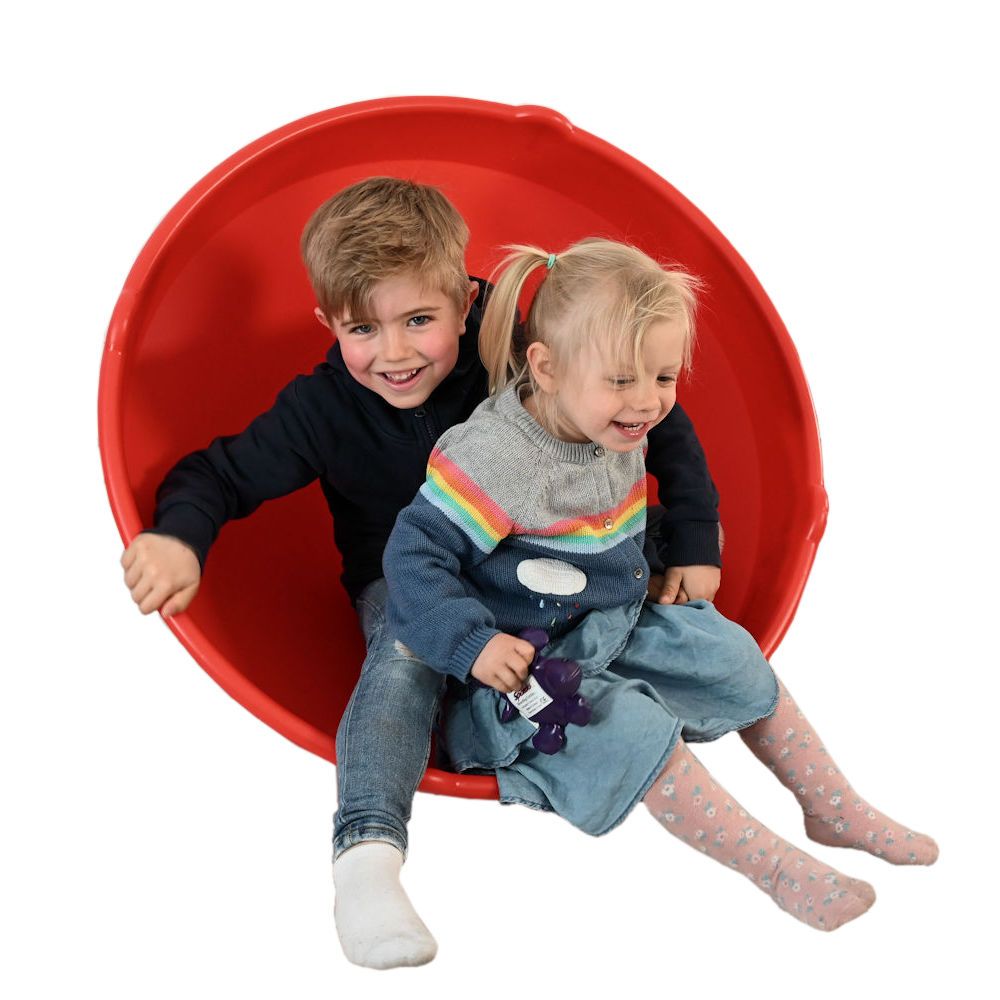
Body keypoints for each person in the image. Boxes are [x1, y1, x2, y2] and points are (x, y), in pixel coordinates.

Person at [119, 179, 723, 968]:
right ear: (328, 324)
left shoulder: (511, 344)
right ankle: (367, 855)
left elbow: (643, 407)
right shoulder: (323, 409)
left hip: (549, 558)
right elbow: (219, 474)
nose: (395, 353)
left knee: (653, 585)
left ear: (466, 301)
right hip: (407, 576)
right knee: (404, 650)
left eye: (418, 321)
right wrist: (178, 538)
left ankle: (653, 709)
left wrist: (696, 538)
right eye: (362, 328)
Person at [384, 238, 938, 934]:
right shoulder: (495, 459)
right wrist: (473, 645)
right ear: (546, 369)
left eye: (665, 376)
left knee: (732, 657)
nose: (648, 401)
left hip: (610, 620)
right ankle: (775, 868)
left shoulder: (618, 411)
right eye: (623, 380)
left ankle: (831, 806)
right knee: (629, 731)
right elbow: (412, 558)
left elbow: (667, 468)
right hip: (521, 669)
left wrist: (691, 544)